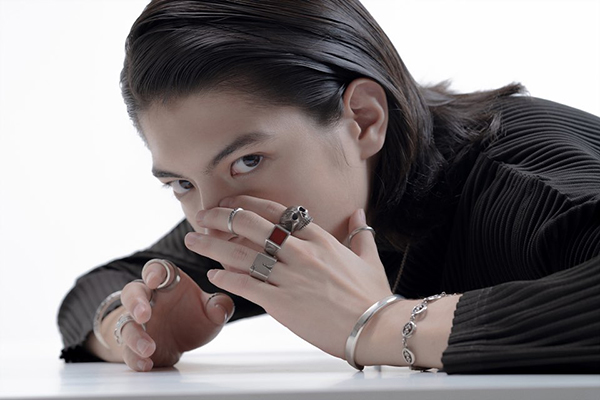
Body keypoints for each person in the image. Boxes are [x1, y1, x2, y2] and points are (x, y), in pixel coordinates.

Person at [58, 0, 600, 374]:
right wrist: (132, 326)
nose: (210, 217)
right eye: (180, 183)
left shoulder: (522, 182)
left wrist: (380, 325)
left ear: (363, 120)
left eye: (248, 160)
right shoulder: (253, 210)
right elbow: (102, 285)